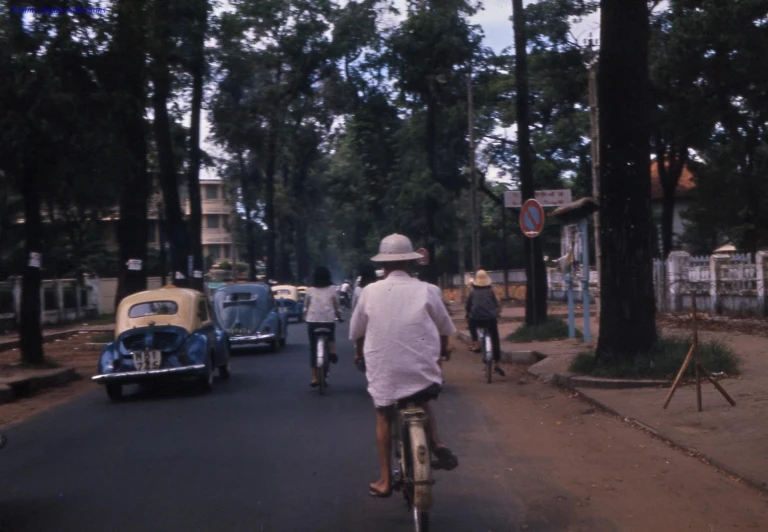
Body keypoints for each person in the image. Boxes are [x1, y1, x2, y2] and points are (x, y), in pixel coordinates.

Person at [349, 233, 459, 498]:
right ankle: (436, 442)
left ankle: (386, 480)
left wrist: (358, 353)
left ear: (383, 265)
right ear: (409, 263)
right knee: (421, 399)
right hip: (423, 370)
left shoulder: (369, 292)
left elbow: (356, 333)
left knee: (384, 414)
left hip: (385, 372)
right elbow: (445, 329)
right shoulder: (428, 290)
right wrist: (441, 354)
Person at [303, 266, 344, 387]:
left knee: (312, 347)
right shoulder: (332, 290)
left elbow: (305, 307)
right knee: (331, 336)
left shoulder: (309, 290)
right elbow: (337, 307)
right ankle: (332, 352)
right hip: (328, 321)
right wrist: (340, 317)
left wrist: (304, 316)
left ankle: (314, 377)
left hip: (312, 321)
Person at [466, 270, 505, 377]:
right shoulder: (491, 291)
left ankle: (476, 343)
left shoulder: (473, 292)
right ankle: (497, 363)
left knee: (471, 323)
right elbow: (497, 303)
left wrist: (468, 313)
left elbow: (468, 305)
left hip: (476, 318)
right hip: (490, 319)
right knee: (495, 338)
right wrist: (497, 313)